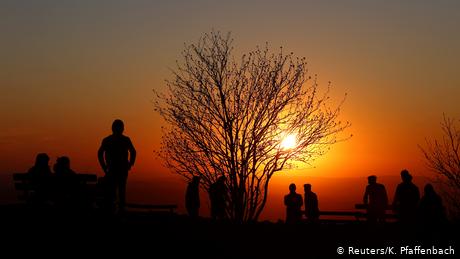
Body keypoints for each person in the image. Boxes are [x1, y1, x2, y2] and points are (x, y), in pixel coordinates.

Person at [98, 119, 136, 214]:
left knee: (114, 191)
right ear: (122, 128)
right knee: (120, 191)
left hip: (114, 169)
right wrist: (130, 164)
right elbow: (133, 152)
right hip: (119, 170)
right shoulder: (125, 140)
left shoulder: (108, 140)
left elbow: (100, 153)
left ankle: (114, 211)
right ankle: (119, 211)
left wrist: (104, 166)